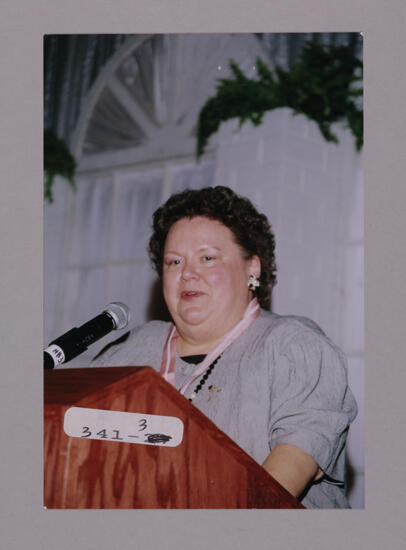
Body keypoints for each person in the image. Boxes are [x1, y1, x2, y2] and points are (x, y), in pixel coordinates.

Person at [92, 185, 357, 508]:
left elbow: (295, 462)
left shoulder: (291, 344)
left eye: (207, 258)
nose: (188, 273)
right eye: (174, 262)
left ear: (252, 269)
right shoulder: (131, 349)